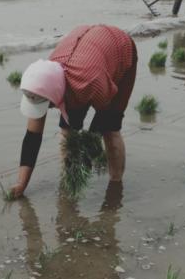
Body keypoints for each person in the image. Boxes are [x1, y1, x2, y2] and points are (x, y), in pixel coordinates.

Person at [10, 24, 137, 198]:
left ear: (57, 94)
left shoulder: (91, 83)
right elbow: (32, 137)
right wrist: (21, 184)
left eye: (48, 104)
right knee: (68, 129)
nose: (47, 109)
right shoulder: (42, 80)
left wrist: (82, 163)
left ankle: (115, 185)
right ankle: (67, 179)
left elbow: (97, 129)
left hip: (119, 49)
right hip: (84, 52)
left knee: (110, 128)